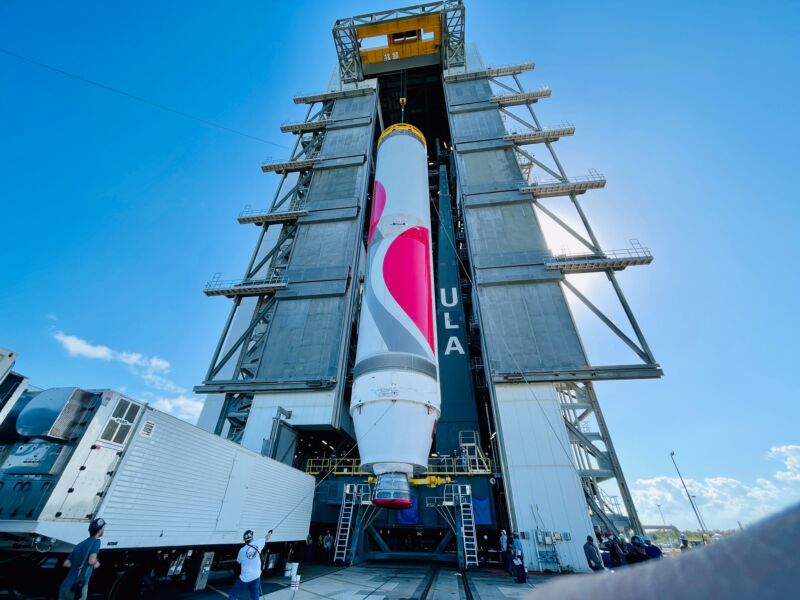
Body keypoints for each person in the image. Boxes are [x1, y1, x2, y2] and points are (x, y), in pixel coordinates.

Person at [59, 517, 105, 600]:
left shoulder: (79, 544)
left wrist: (78, 565)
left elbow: (66, 563)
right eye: (103, 528)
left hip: (65, 585)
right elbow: (91, 561)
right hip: (77, 586)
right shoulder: (96, 542)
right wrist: (97, 563)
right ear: (100, 530)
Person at [230, 528, 272, 600]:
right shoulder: (258, 543)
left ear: (244, 540)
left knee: (234, 594)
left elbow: (238, 561)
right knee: (254, 594)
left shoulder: (242, 550)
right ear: (252, 537)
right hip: (256, 576)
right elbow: (266, 538)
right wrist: (270, 532)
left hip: (245, 577)